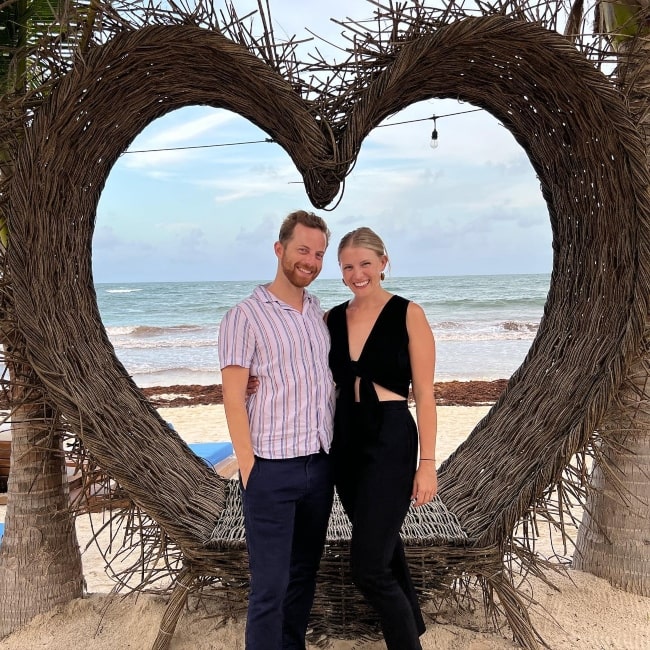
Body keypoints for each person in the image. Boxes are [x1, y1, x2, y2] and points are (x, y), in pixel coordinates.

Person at [218, 210, 336, 650]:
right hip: (270, 470)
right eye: (303, 249)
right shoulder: (244, 316)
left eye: (319, 253)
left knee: (303, 576)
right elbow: (232, 397)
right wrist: (249, 468)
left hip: (319, 466)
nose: (310, 260)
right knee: (269, 585)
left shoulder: (317, 314)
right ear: (280, 249)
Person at [326, 226, 437, 650]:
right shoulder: (331, 318)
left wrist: (427, 465)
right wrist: (252, 383)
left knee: (368, 567)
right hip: (346, 439)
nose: (357, 274)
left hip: (391, 436)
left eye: (365, 264)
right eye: (348, 266)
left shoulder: (409, 313)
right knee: (385, 549)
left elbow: (426, 396)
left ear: (383, 263)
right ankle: (413, 631)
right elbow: (301, 372)